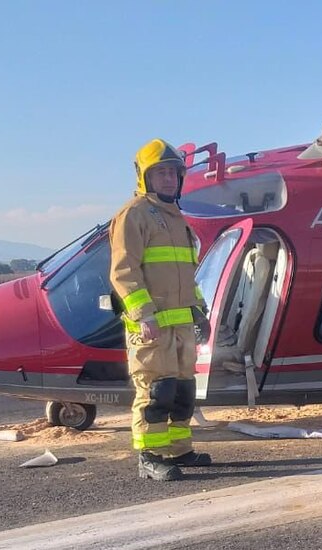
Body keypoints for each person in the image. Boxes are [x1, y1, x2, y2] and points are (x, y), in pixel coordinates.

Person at [109, 138, 212, 481]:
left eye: (173, 172)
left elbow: (185, 273)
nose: (168, 179)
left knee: (182, 391)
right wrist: (143, 315)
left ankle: (180, 449)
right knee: (156, 391)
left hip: (181, 325)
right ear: (145, 177)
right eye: (161, 173)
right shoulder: (134, 215)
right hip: (151, 328)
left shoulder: (176, 218)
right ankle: (149, 456)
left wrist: (199, 311)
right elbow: (124, 272)